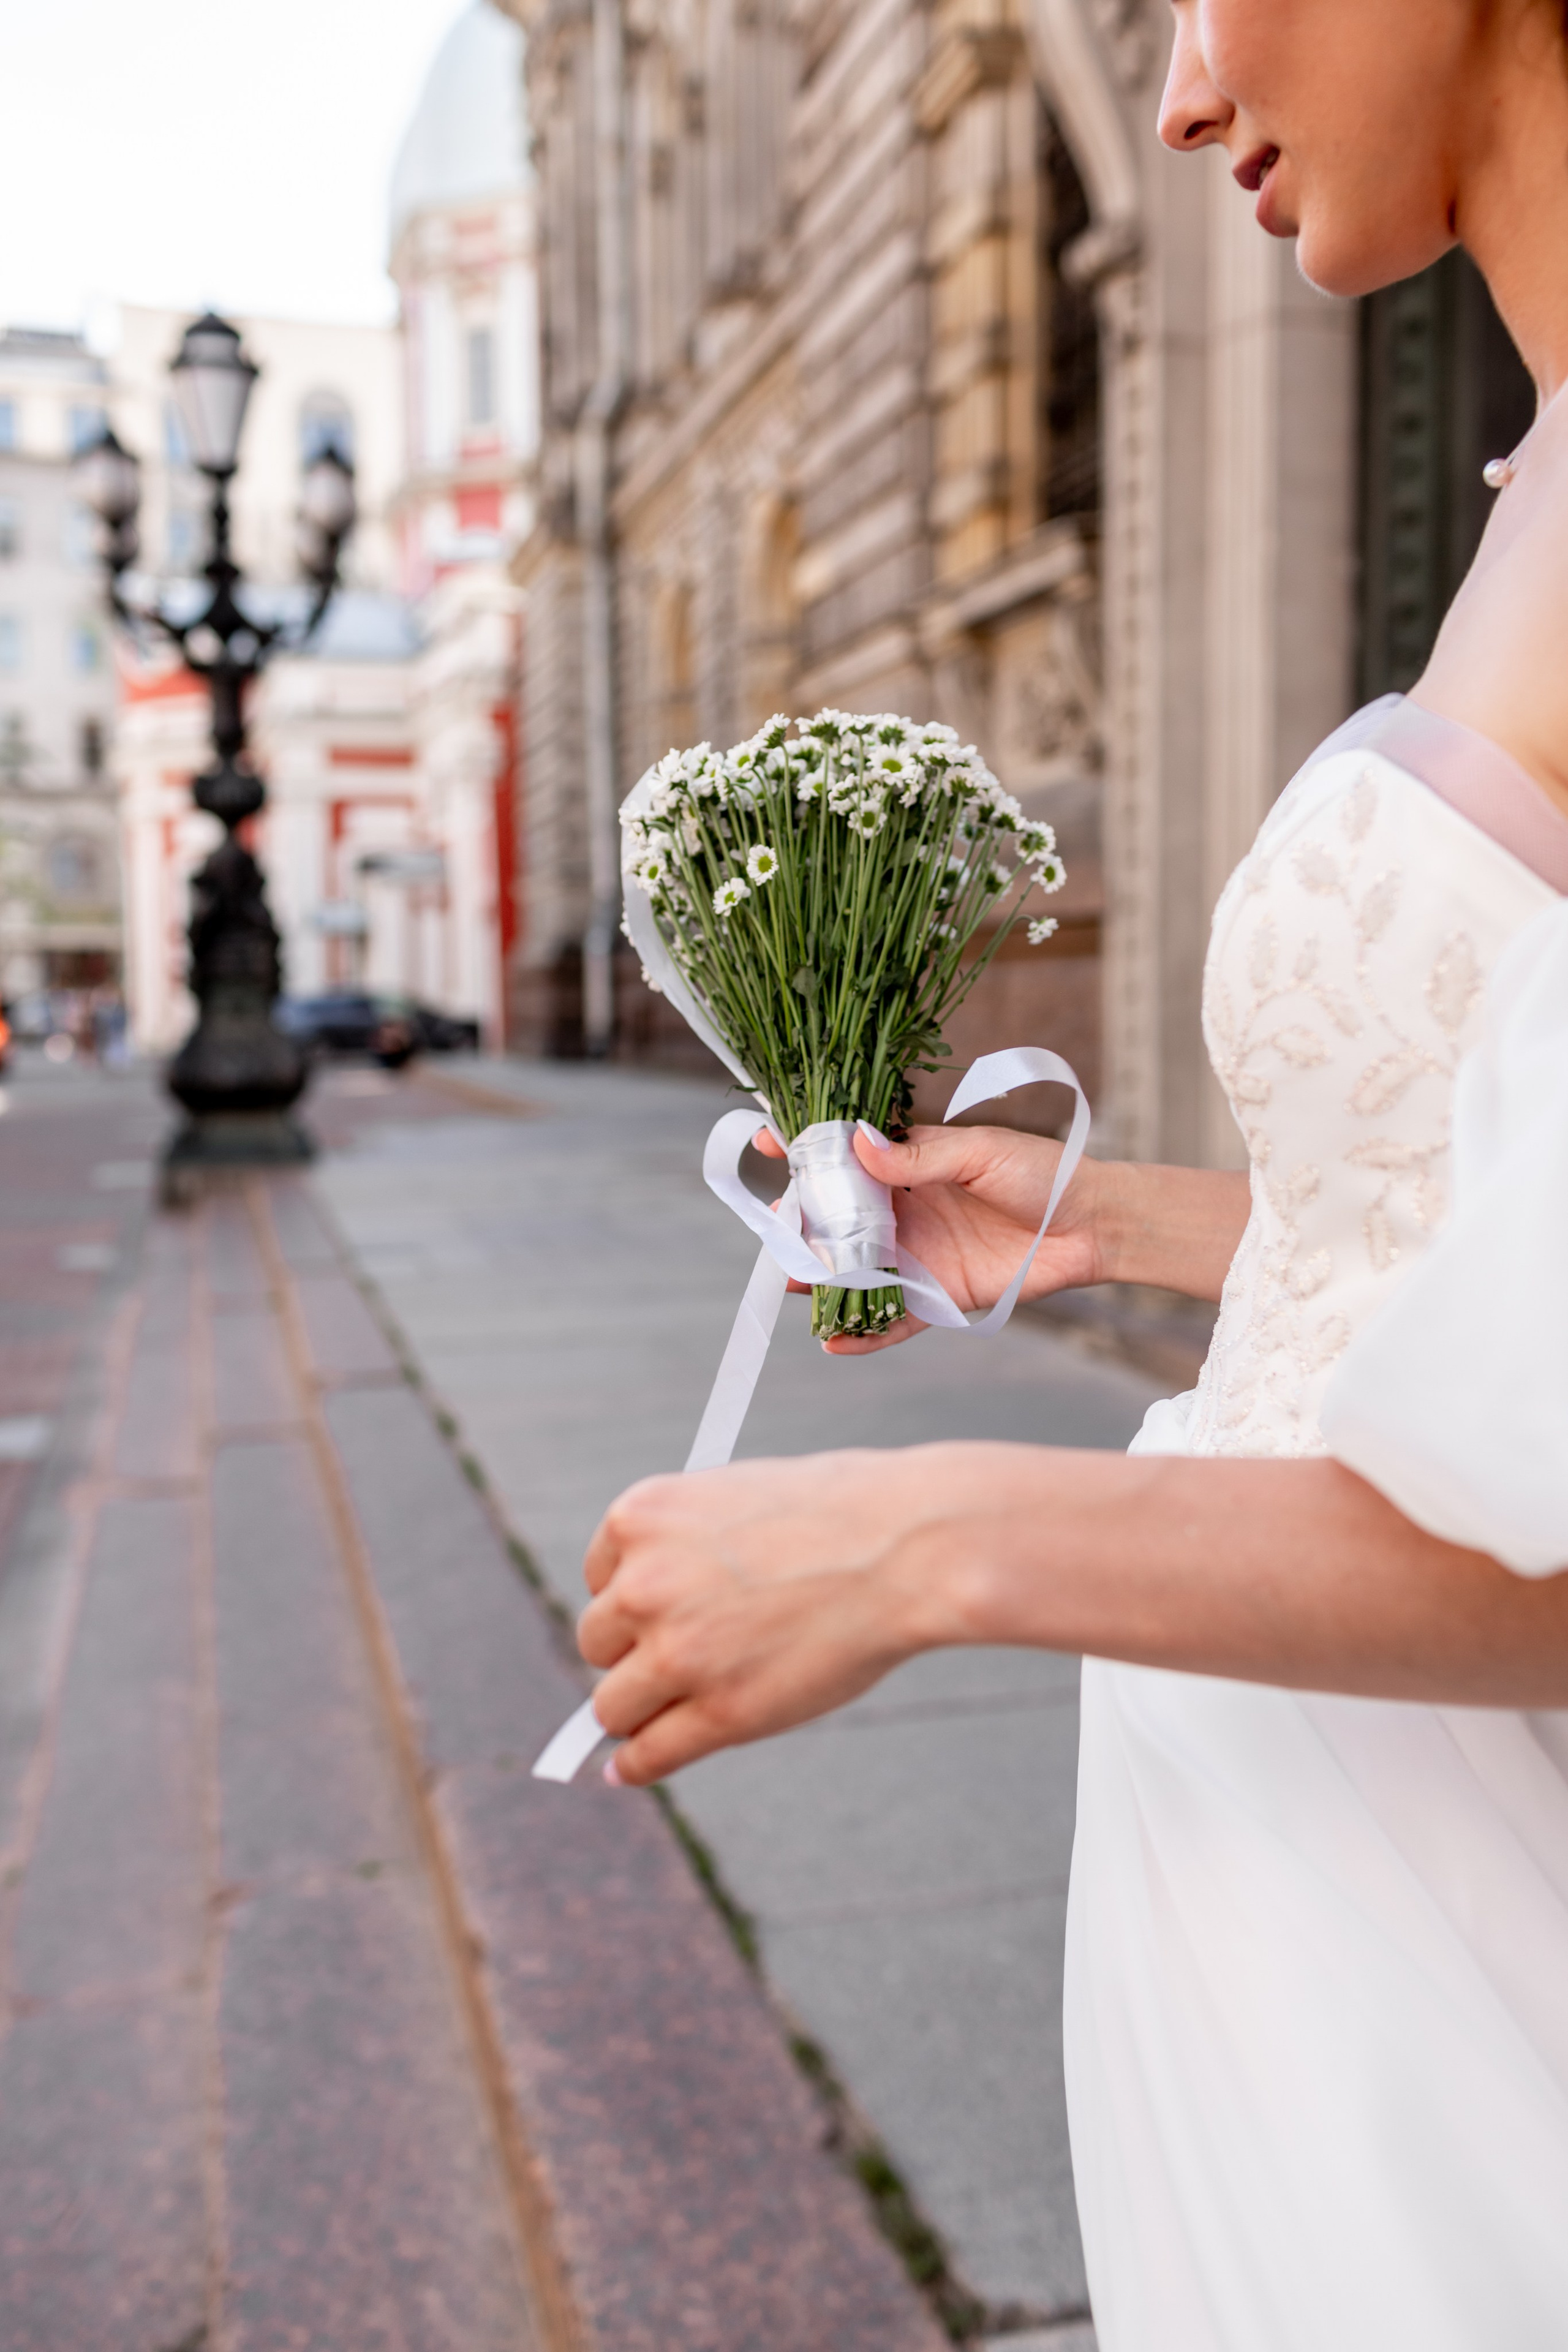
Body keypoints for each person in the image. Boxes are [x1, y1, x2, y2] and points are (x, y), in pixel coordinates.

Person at [578, 2, 1568, 2342]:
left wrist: (926, 1541)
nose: (1180, 89)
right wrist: (1116, 1223)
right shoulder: (1531, 485)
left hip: (1467, 1927)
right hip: (1298, 1892)